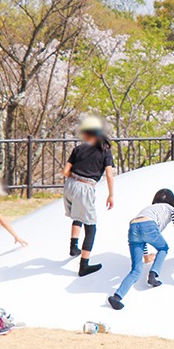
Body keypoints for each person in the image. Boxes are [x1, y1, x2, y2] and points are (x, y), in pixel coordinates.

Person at [107, 188, 174, 310]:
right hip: (149, 225)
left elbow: (142, 234)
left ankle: (117, 297)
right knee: (163, 248)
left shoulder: (149, 209)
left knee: (136, 270)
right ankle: (153, 274)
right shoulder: (171, 209)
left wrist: (146, 255)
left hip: (133, 226)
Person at [63, 114, 116, 277]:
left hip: (70, 184)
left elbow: (65, 171)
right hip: (85, 187)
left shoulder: (78, 149)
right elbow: (109, 174)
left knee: (78, 214)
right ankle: (84, 265)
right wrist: (111, 195)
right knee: (91, 226)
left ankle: (73, 246)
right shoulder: (105, 151)